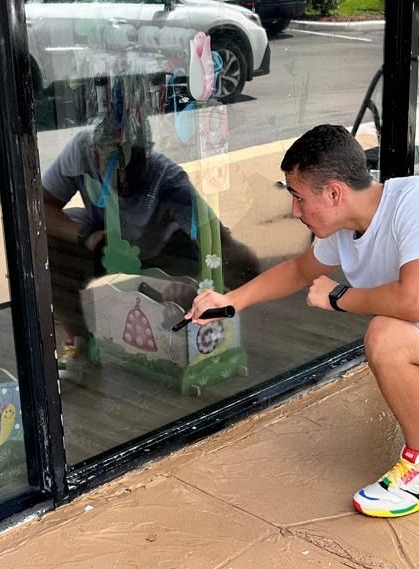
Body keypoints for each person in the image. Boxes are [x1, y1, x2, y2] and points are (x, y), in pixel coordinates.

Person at [187, 123, 419, 517]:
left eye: (299, 198)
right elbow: (300, 270)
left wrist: (339, 297)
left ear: (334, 192)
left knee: (388, 336)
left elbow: (416, 303)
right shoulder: (347, 224)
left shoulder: (417, 203)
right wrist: (231, 301)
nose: (294, 210)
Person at [42, 104, 259, 377]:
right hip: (102, 241)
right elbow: (39, 207)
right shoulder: (81, 151)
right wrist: (84, 235)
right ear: (94, 151)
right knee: (44, 243)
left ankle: (190, 340)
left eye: (130, 163)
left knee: (214, 274)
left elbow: (217, 239)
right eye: (111, 161)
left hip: (160, 252)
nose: (120, 174)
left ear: (147, 153)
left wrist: (207, 287)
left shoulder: (167, 178)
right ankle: (80, 341)